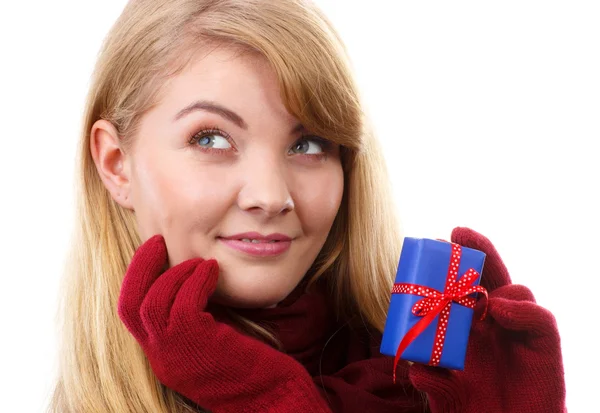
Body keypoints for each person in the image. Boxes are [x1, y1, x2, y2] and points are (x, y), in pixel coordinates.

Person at [49, 0, 567, 412]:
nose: (271, 196)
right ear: (117, 164)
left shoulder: (425, 357)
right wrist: (265, 399)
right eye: (210, 139)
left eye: (309, 143)